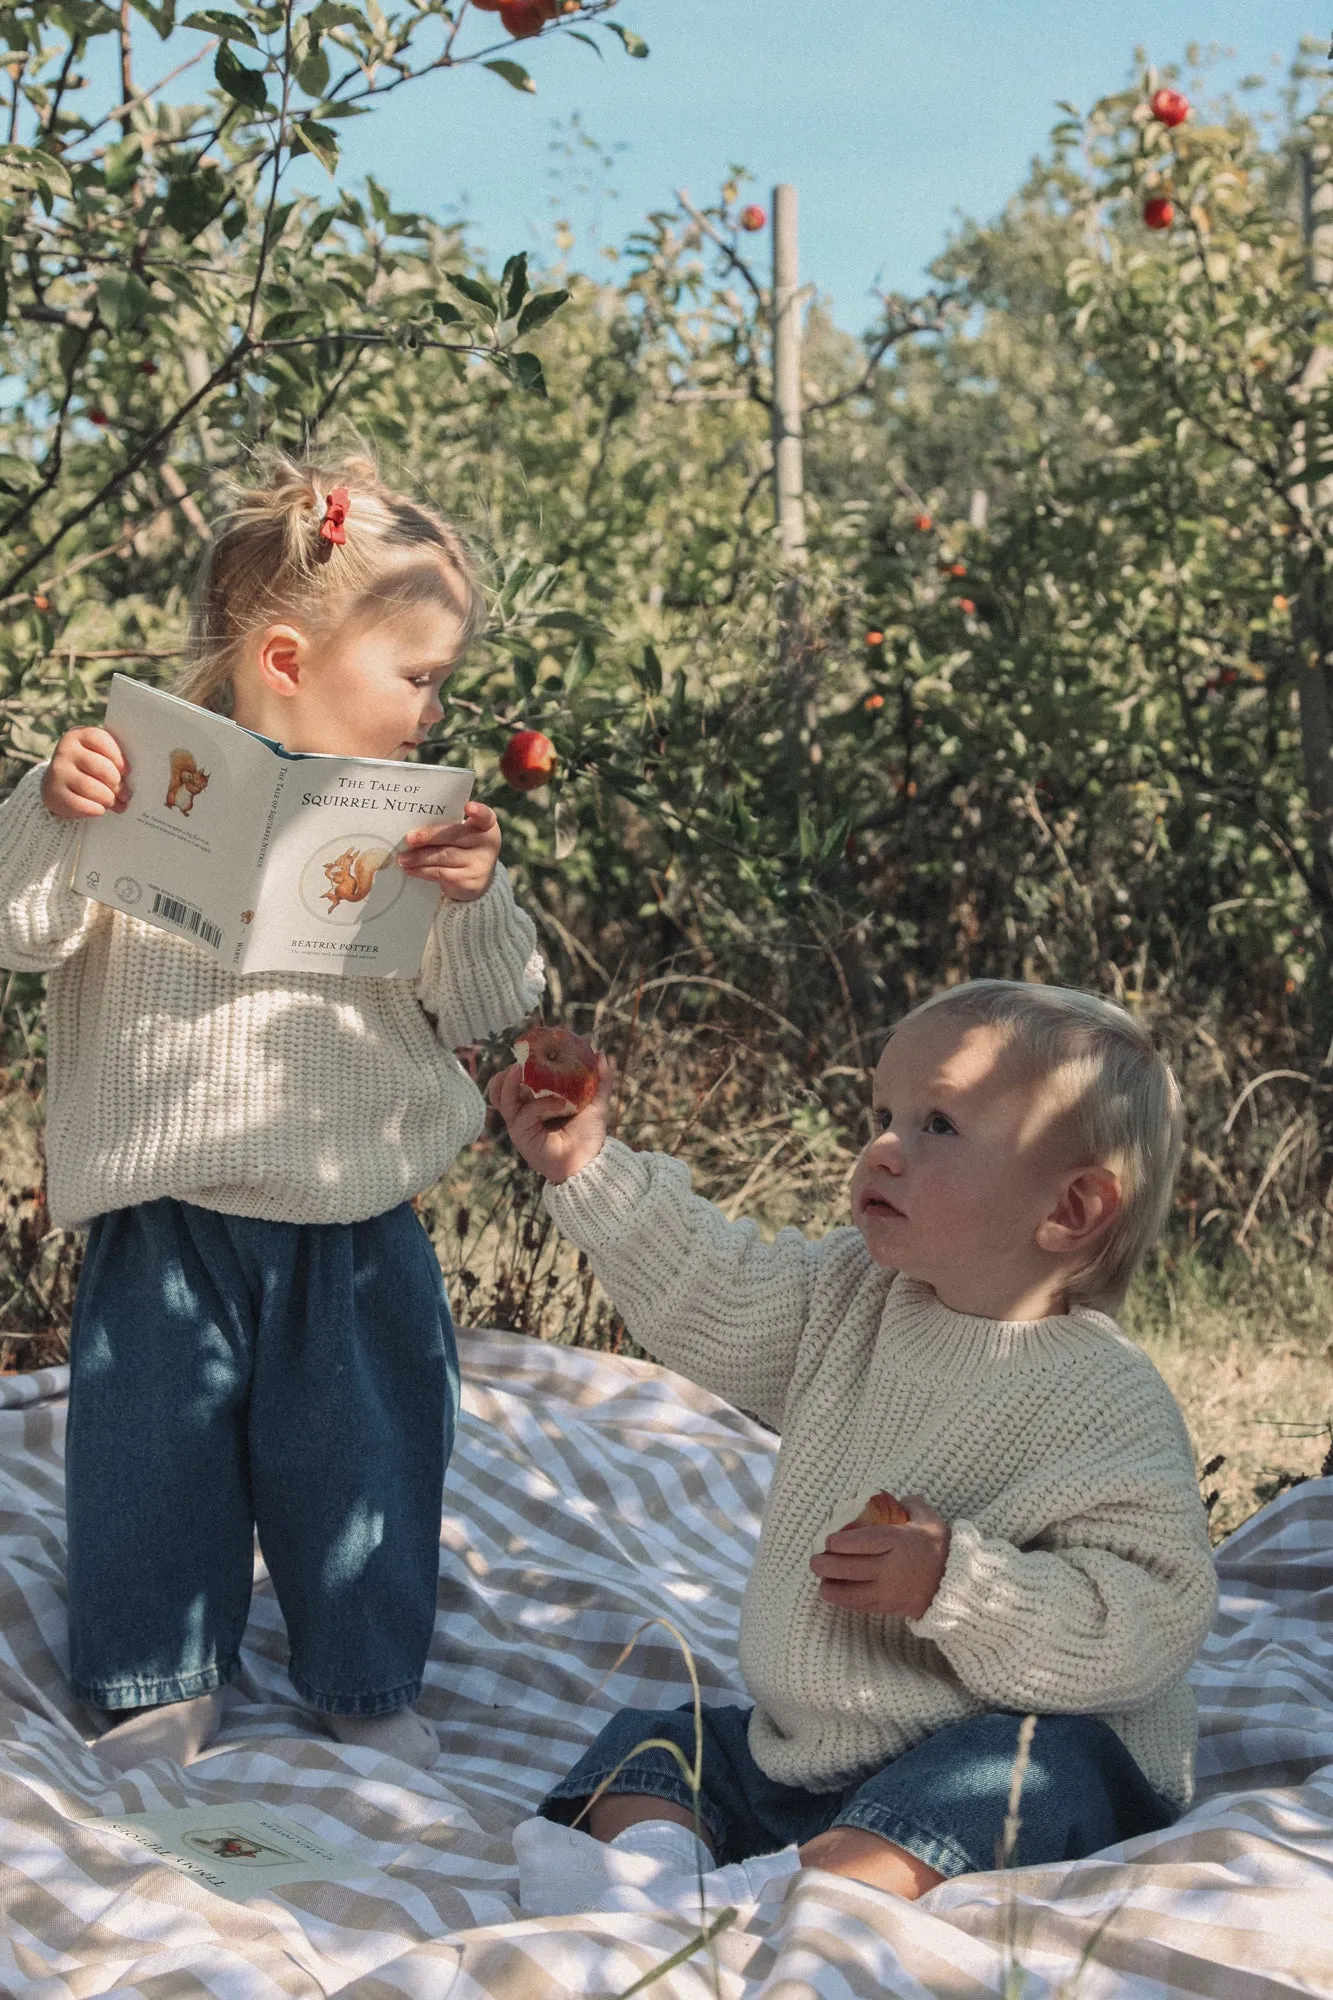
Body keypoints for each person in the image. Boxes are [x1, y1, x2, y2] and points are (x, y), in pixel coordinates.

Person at [0, 449, 544, 1772]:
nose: (432, 710)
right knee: (151, 1453)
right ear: (289, 659)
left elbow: (486, 1008)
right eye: (418, 677)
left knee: (363, 1448)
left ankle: (363, 1673)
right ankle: (158, 1673)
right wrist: (50, 814)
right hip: (166, 1203)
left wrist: (478, 900)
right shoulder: (130, 778)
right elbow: (22, 932)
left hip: (351, 1209)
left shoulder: (419, 829)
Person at [489, 980, 1219, 1912]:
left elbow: (1147, 1617)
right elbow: (714, 1284)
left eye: (938, 1126)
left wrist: (958, 1584)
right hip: (818, 1748)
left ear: (1071, 1210)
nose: (881, 1146)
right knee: (659, 1744)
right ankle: (656, 1872)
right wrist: (587, 1168)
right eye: (882, 1114)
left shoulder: (1102, 1400)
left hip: (995, 1749)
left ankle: (759, 1896)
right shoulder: (851, 1297)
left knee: (1029, 1775)